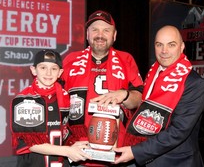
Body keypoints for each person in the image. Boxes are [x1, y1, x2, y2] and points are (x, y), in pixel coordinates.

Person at [112, 25, 204, 167]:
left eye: (171, 45)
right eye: (159, 45)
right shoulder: (153, 74)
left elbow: (178, 131)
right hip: (146, 157)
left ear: (182, 47)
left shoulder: (194, 83)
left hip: (176, 162)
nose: (164, 51)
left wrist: (136, 152)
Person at [61, 10, 144, 166]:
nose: (100, 34)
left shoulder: (126, 60)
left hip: (118, 153)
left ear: (114, 35)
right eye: (95, 29)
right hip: (79, 151)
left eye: (106, 30)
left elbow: (139, 99)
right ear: (87, 34)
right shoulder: (70, 61)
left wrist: (124, 95)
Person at [10, 50, 92, 167]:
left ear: (60, 73)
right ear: (33, 70)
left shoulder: (65, 97)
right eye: (43, 67)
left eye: (54, 69)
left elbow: (68, 132)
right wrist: (67, 151)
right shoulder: (25, 100)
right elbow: (31, 144)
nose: (48, 73)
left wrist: (79, 145)